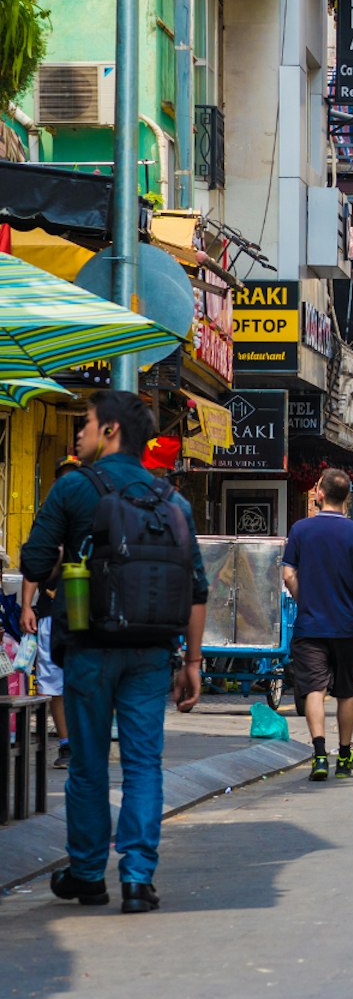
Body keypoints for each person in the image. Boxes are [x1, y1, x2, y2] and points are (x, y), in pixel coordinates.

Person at [20, 391, 207, 912]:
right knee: (145, 763)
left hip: (88, 646)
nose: (78, 433)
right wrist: (192, 662)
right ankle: (137, 878)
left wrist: (68, 557)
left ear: (109, 432)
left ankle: (86, 872)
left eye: (85, 424)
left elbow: (33, 562)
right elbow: (197, 587)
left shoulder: (75, 487)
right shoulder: (173, 500)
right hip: (152, 652)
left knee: (88, 763)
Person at [282, 469, 353, 781]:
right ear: (347, 498)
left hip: (310, 625)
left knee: (313, 688)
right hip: (347, 626)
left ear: (320, 494)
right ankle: (344, 754)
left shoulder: (301, 530)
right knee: (345, 691)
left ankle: (319, 755)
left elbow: (288, 575)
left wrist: (304, 600)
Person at [18, 456, 84, 770]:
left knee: (85, 678)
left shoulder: (95, 514)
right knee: (53, 680)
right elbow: (34, 564)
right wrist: (26, 605)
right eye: (62, 478)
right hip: (48, 611)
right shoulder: (47, 519)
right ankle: (67, 744)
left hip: (86, 609)